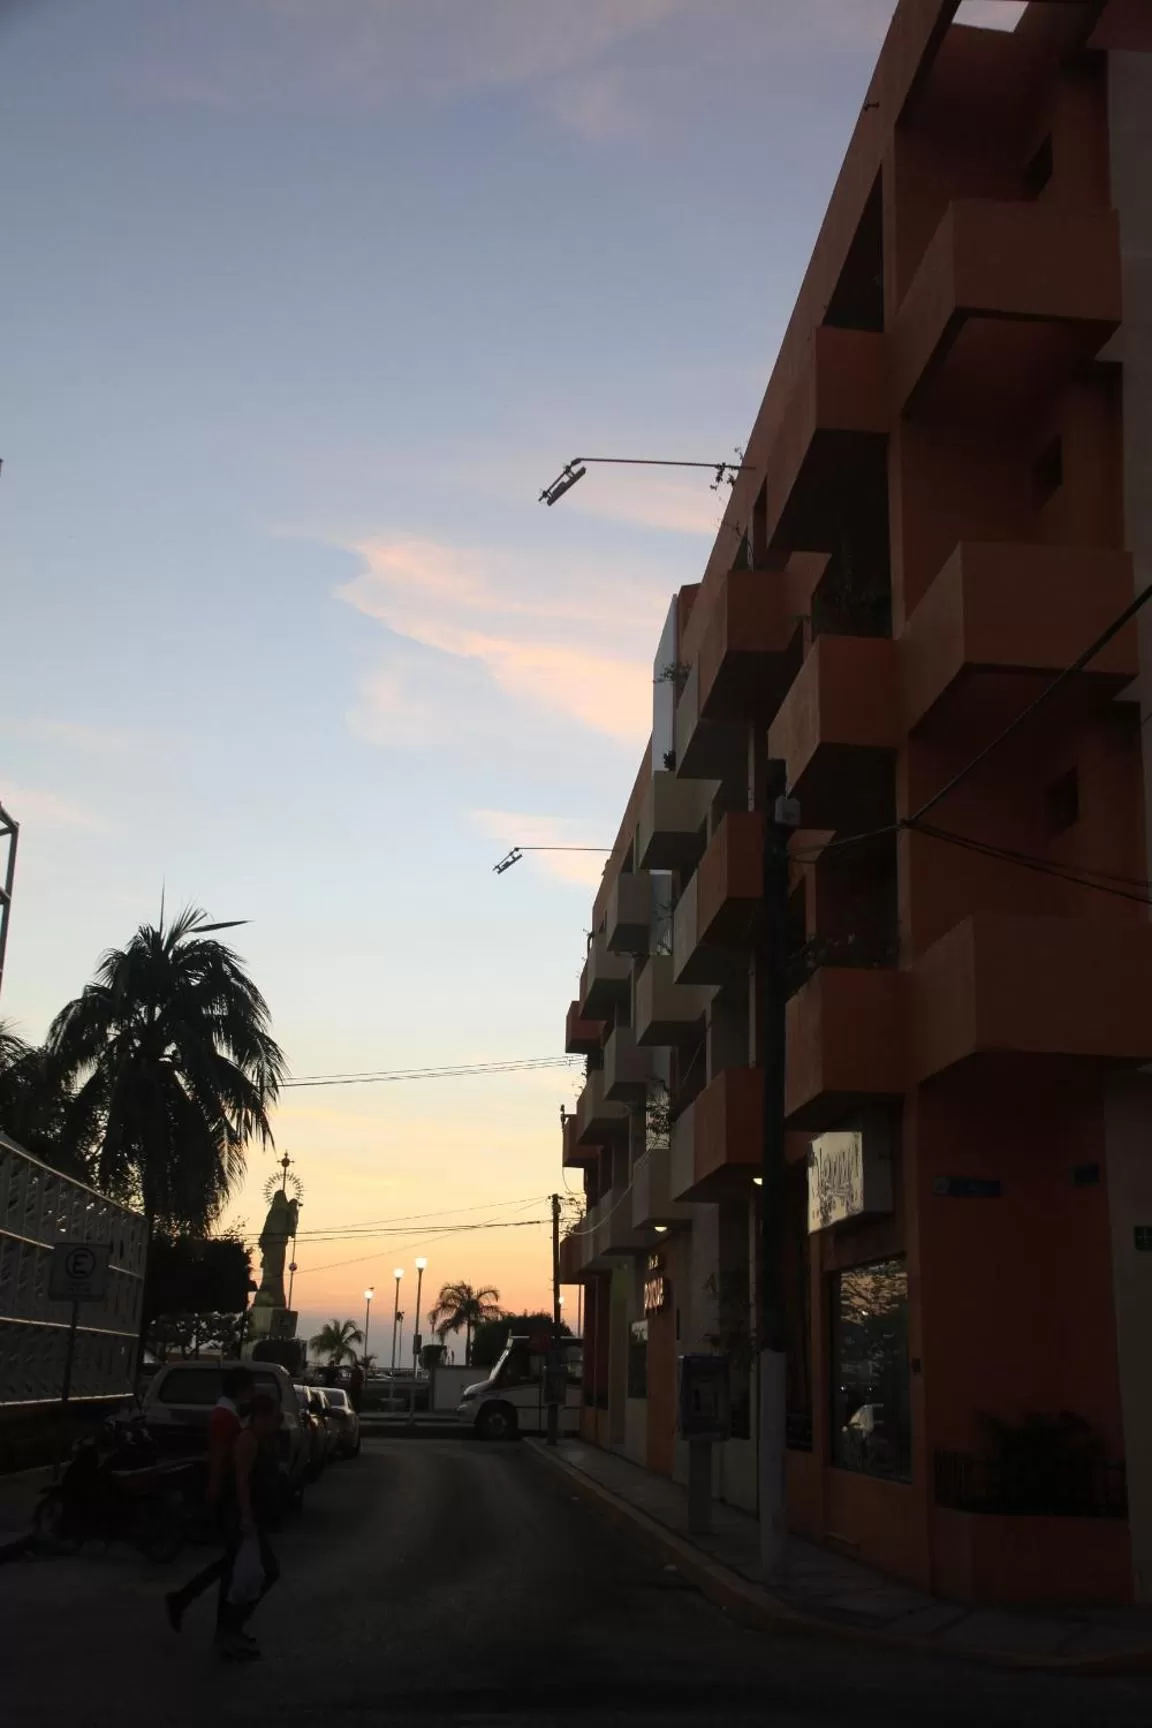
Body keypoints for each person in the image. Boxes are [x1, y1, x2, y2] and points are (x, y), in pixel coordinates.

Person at [165, 1365, 254, 1635]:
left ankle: (196, 1607)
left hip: (227, 1492)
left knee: (230, 1562)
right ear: (239, 1389)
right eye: (249, 1388)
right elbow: (219, 1459)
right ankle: (192, 1604)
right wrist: (214, 1493)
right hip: (227, 1493)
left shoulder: (228, 1414)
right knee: (230, 1561)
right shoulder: (223, 1417)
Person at [215, 1391, 282, 1659]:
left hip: (253, 1517)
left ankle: (231, 1631)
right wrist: (246, 1517)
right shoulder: (248, 1439)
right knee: (260, 1573)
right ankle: (229, 1631)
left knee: (247, 1577)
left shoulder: (262, 1440)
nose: (277, 1422)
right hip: (241, 1518)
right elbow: (241, 1480)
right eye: (273, 1416)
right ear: (261, 1417)